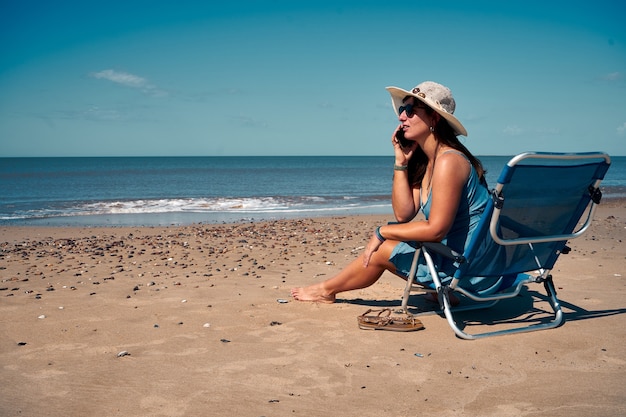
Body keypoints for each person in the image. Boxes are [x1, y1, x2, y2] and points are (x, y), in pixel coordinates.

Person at [291, 81, 490, 304]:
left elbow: (435, 230)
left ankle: (325, 290)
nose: (401, 117)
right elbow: (404, 214)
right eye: (402, 110)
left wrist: (381, 231)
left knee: (382, 249)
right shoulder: (429, 162)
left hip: (472, 270)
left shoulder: (449, 161)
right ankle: (327, 289)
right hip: (463, 259)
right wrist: (401, 163)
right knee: (388, 241)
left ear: (434, 118)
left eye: (411, 111)